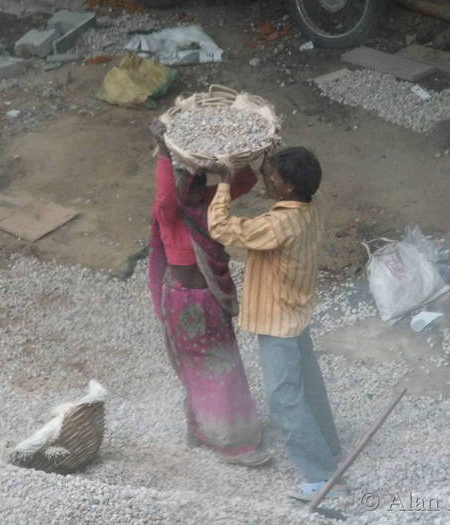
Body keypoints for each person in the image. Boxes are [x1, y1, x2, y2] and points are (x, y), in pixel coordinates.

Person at [207, 146, 346, 501]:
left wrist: (224, 183)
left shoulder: (279, 223)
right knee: (309, 384)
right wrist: (266, 157)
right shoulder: (310, 207)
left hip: (277, 321)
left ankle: (321, 478)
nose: (268, 180)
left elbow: (221, 227)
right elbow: (279, 189)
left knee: (283, 398)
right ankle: (329, 447)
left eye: (273, 178)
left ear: (287, 188)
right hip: (297, 311)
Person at [147, 120, 270, 467]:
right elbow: (164, 195)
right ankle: (232, 444)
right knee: (214, 368)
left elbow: (244, 180)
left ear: (203, 183)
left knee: (213, 366)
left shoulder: (209, 200)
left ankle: (203, 427)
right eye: (183, 177)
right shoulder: (171, 214)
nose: (189, 183)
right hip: (188, 301)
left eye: (195, 178)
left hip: (204, 298)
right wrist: (162, 152)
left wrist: (236, 152)